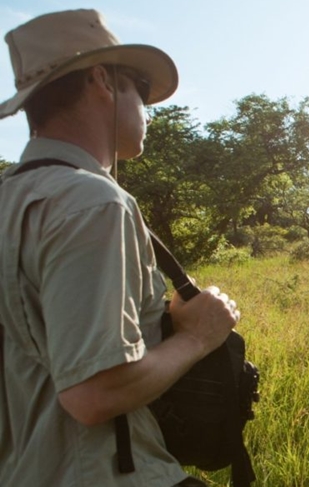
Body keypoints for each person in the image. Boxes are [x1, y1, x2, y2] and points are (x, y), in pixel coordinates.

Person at [0, 10, 240, 487]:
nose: (147, 111)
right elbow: (93, 394)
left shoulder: (13, 198)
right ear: (101, 81)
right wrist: (198, 336)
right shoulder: (95, 201)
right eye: (142, 91)